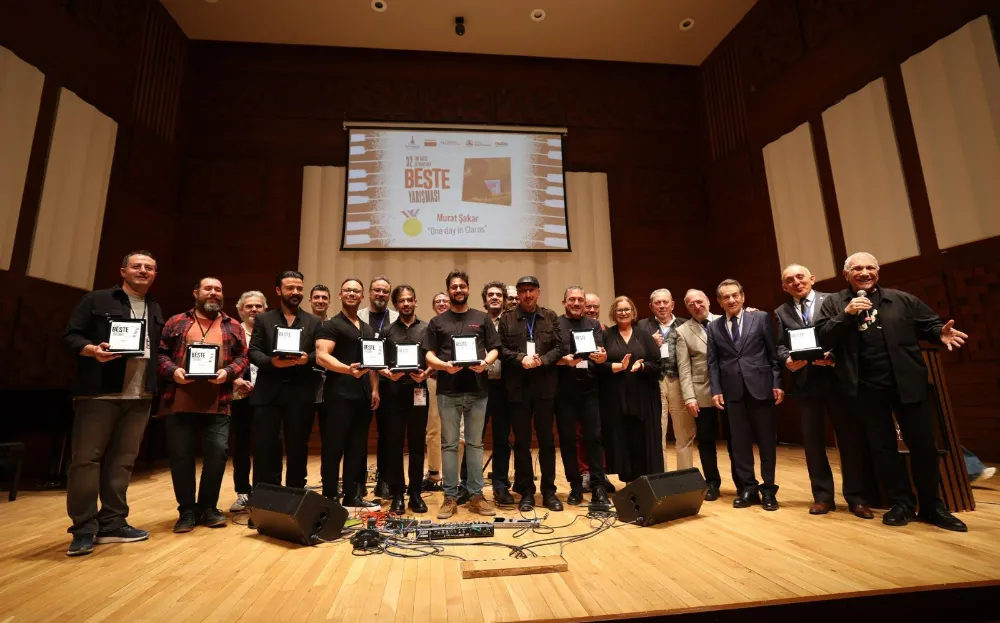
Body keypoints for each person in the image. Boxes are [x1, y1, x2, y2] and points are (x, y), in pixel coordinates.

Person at [815, 252, 969, 531]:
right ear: (846, 274)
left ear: (878, 272)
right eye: (857, 268)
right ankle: (901, 503)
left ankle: (932, 506)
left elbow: (930, 324)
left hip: (907, 383)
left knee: (924, 446)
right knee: (883, 448)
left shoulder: (901, 299)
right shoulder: (834, 303)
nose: (864, 272)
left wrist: (939, 333)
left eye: (870, 267)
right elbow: (822, 336)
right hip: (865, 388)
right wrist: (846, 314)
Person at [61, 250, 163, 556]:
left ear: (155, 274)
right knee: (86, 460)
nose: (143, 271)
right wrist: (93, 350)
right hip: (100, 392)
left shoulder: (154, 306)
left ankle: (113, 522)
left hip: (140, 394)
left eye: (149, 268)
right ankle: (83, 527)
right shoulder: (96, 299)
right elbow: (70, 337)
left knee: (123, 461)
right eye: (137, 266)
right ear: (123, 271)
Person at [775, 264, 873, 518]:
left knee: (848, 440)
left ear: (812, 278)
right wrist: (787, 360)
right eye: (789, 280)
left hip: (837, 380)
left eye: (800, 277)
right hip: (806, 384)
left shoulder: (833, 301)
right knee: (813, 443)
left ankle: (856, 497)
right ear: (784, 287)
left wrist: (834, 356)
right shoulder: (780, 312)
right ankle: (822, 496)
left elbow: (848, 335)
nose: (796, 282)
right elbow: (779, 345)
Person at [157, 277, 248, 532]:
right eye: (208, 289)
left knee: (217, 454)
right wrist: (173, 371)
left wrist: (228, 373)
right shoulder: (177, 321)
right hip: (179, 400)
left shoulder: (233, 325)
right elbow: (161, 354)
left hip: (218, 402)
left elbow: (243, 357)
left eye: (218, 289)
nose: (214, 293)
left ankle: (208, 507)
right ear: (196, 292)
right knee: (181, 457)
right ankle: (186, 510)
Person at [422, 270, 500, 518]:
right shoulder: (437, 322)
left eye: (462, 286)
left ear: (468, 289)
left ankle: (476, 495)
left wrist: (485, 363)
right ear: (448, 291)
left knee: (475, 444)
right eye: (454, 287)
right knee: (449, 445)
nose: (458, 290)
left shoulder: (481, 318)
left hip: (478, 390)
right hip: (448, 391)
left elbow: (495, 348)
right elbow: (428, 354)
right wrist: (443, 366)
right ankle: (450, 497)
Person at [708, 279, 784, 511]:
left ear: (742, 296)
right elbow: (713, 362)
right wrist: (716, 389)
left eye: (735, 295)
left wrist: (777, 383)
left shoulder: (760, 318)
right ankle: (748, 488)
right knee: (739, 444)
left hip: (761, 387)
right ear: (719, 302)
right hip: (732, 392)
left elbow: (772, 354)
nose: (731, 300)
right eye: (726, 297)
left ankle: (768, 489)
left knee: (766, 441)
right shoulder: (714, 327)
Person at [248, 270, 323, 492]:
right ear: (278, 290)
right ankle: (265, 497)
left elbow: (320, 353)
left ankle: (295, 494)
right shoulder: (264, 319)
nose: (295, 292)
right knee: (265, 447)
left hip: (301, 392)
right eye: (290, 288)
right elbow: (254, 351)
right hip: (268, 393)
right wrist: (272, 362)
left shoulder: (314, 321)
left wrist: (307, 359)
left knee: (298, 447)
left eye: (299, 288)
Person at [499, 276, 568, 511]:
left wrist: (543, 360)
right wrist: (521, 359)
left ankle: (549, 491)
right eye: (523, 291)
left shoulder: (550, 316)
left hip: (545, 387)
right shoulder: (507, 318)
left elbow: (560, 346)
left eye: (531, 290)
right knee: (521, 442)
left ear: (538, 292)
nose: (527, 295)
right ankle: (526, 491)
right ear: (518, 294)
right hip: (518, 389)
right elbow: (500, 349)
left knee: (547, 441)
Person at [315, 278, 381, 508]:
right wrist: (346, 369)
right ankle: (330, 496)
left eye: (356, 291)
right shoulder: (331, 325)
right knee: (334, 447)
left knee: (357, 448)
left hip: (362, 397)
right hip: (338, 395)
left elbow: (372, 363)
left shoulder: (367, 328)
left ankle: (352, 496)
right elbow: (322, 355)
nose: (352, 294)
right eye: (348, 290)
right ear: (340, 295)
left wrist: (374, 389)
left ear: (362, 296)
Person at [675, 289, 737, 501]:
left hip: (730, 389)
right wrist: (689, 397)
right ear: (687, 308)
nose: (696, 306)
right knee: (707, 440)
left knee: (735, 438)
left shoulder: (726, 320)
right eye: (691, 304)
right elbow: (684, 367)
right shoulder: (683, 331)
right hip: (702, 392)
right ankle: (712, 483)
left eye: (699, 301)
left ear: (708, 301)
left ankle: (742, 481)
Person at [555, 286, 611, 508]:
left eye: (580, 299)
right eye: (572, 299)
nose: (576, 303)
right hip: (563, 391)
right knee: (568, 440)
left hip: (589, 389)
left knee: (594, 437)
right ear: (564, 302)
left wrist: (601, 357)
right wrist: (564, 360)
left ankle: (598, 487)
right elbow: (550, 355)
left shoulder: (593, 325)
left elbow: (600, 352)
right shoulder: (555, 324)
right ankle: (575, 487)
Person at [379, 285, 431, 514]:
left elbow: (434, 358)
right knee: (394, 445)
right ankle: (398, 494)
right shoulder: (387, 331)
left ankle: (416, 494)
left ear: (415, 301)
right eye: (402, 300)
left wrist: (426, 373)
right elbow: (378, 361)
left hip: (419, 391)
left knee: (417, 444)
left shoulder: (427, 329)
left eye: (410, 299)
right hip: (393, 393)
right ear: (396, 304)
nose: (406, 304)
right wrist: (388, 374)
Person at [601, 296, 664, 482]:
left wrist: (642, 366)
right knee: (623, 439)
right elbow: (597, 366)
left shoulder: (644, 335)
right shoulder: (606, 336)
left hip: (644, 397)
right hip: (616, 398)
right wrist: (617, 367)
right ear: (613, 313)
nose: (623, 313)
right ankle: (628, 480)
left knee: (642, 439)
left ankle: (645, 481)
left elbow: (658, 364)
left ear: (633, 312)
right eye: (619, 310)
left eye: (627, 309)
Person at [637, 289, 689, 471]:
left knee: (684, 433)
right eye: (657, 303)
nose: (661, 306)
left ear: (672, 305)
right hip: (654, 383)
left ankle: (684, 476)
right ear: (651, 306)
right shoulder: (642, 326)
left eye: (665, 302)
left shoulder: (685, 324)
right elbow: (635, 353)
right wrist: (650, 345)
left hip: (679, 383)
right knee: (657, 433)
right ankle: (661, 476)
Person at [359, 276, 399, 499]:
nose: (381, 294)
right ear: (369, 293)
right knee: (358, 434)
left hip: (389, 382)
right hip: (361, 381)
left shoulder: (397, 318)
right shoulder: (358, 316)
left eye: (385, 291)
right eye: (377, 290)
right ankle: (358, 480)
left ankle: (384, 480)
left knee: (388, 434)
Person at [229, 290, 267, 513]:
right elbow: (224, 359)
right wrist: (235, 380)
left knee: (266, 446)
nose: (254, 310)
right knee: (241, 446)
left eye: (258, 306)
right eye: (249, 306)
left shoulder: (271, 331)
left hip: (267, 397)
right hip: (240, 396)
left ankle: (264, 492)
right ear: (240, 310)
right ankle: (243, 492)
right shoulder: (233, 331)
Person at [481, 281, 515, 505]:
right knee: (475, 438)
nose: (494, 298)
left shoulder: (512, 323)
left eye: (499, 295)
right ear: (484, 300)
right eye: (490, 295)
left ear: (504, 300)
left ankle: (500, 485)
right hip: (480, 385)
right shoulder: (476, 321)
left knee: (502, 438)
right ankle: (469, 485)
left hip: (505, 386)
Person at [422, 291, 451, 491]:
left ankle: (454, 476)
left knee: (459, 431)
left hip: (458, 383)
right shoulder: (429, 327)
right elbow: (426, 355)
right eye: (438, 301)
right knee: (433, 428)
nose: (441, 303)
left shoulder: (462, 325)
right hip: (433, 381)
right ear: (434, 306)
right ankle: (434, 473)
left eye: (445, 300)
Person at [308, 284, 331, 490]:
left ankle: (328, 481)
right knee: (301, 436)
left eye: (324, 298)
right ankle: (298, 483)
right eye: (316, 297)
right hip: (305, 386)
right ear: (310, 301)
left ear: (329, 301)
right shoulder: (303, 324)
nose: (320, 301)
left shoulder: (334, 326)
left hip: (331, 387)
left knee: (330, 437)